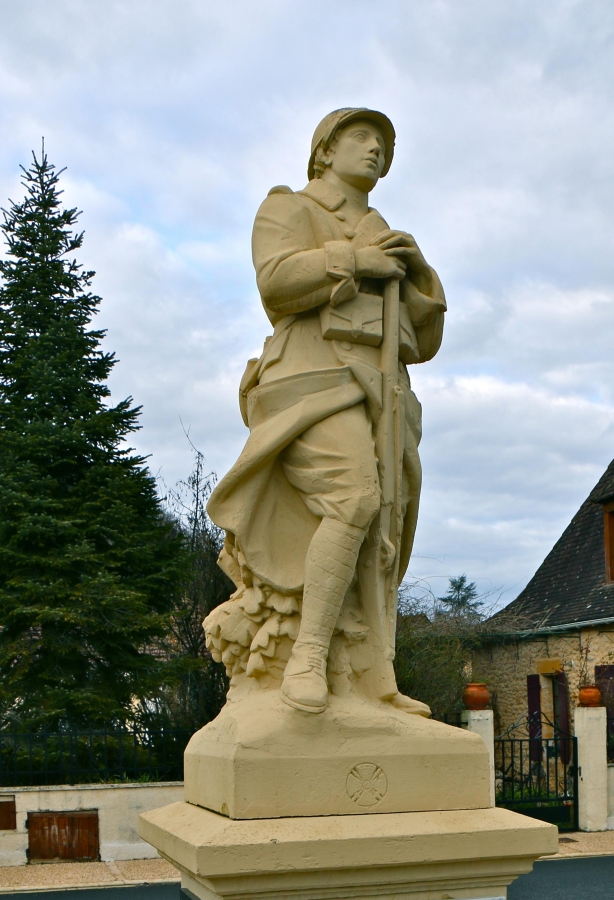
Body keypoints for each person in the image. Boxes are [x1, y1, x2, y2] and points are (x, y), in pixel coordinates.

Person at [207, 107, 446, 715]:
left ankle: (374, 675)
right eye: (361, 138)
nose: (375, 151)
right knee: (355, 497)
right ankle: (307, 656)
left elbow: (426, 340)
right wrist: (353, 261)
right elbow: (277, 283)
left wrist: (419, 276)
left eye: (384, 146)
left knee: (386, 527)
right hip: (314, 379)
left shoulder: (385, 228)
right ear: (325, 151)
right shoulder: (290, 207)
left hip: (382, 385)